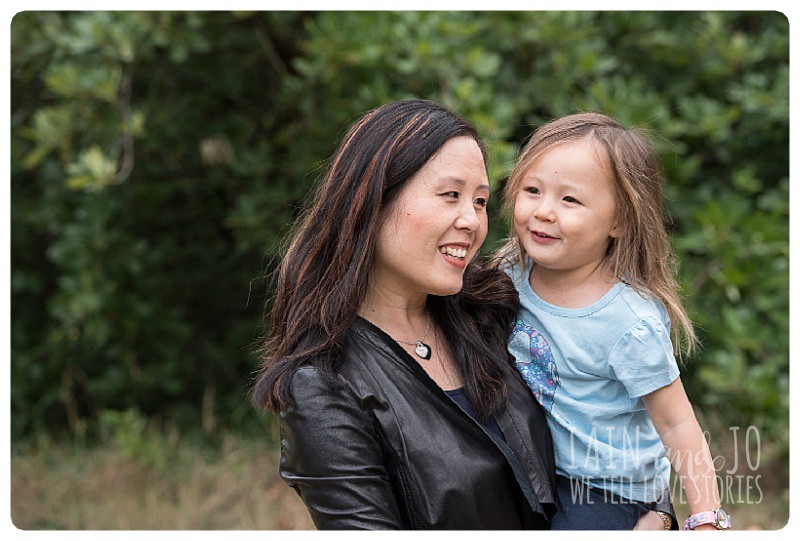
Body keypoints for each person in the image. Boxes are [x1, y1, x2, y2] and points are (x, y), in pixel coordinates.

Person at [251, 99, 558, 529]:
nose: (472, 220)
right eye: (451, 195)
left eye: (481, 201)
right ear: (374, 201)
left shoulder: (495, 316)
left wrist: (655, 512)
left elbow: (607, 419)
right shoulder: (324, 385)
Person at [499, 113, 729, 530]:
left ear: (620, 221)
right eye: (532, 190)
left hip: (606, 488)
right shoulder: (509, 273)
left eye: (570, 200)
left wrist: (706, 520)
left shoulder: (627, 321)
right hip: (536, 468)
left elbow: (678, 426)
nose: (544, 211)